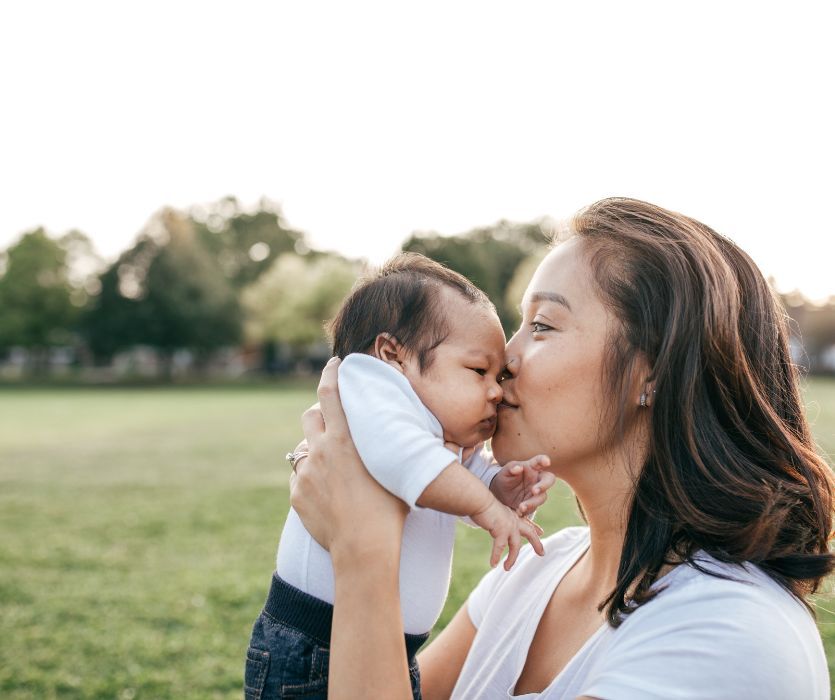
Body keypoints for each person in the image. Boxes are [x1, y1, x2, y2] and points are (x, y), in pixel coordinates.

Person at [285, 198, 834, 699]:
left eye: (542, 325)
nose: (505, 359)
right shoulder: (535, 571)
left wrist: (363, 551)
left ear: (656, 372)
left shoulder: (726, 637)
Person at [245, 254, 555, 699]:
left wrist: (496, 486)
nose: (496, 390)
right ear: (393, 355)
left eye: (498, 374)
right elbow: (409, 464)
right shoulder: (371, 385)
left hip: (383, 643)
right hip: (316, 644)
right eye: (478, 370)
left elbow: (452, 478)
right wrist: (486, 506)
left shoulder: (436, 431)